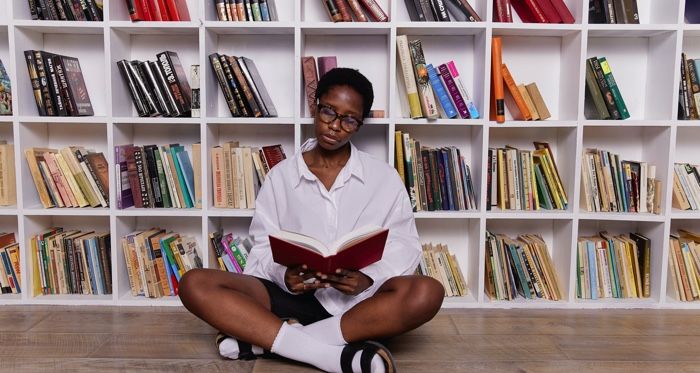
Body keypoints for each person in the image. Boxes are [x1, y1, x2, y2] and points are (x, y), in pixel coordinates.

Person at [179, 68, 445, 373]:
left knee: (428, 292)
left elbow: (406, 244)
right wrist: (285, 276)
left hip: (360, 305)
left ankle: (275, 339)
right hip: (291, 297)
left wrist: (369, 278)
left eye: (348, 119)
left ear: (359, 125)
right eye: (328, 111)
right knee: (195, 283)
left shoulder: (383, 177)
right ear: (315, 106)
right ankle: (330, 355)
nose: (334, 126)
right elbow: (262, 249)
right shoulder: (280, 176)